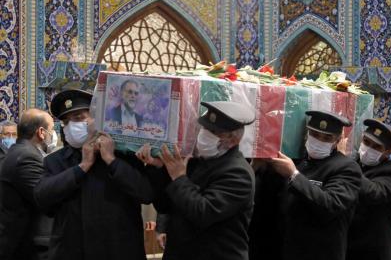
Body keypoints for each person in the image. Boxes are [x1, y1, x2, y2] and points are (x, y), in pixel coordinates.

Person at [34, 89, 156, 260]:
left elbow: (146, 193)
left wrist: (112, 160)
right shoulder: (55, 161)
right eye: (66, 122)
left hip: (118, 251)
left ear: (97, 119)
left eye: (78, 118)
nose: (72, 126)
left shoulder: (125, 155)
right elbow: (43, 198)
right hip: (72, 252)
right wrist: (82, 167)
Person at [137, 101, 256, 260]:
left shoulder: (238, 173)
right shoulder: (197, 161)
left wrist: (178, 177)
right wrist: (160, 168)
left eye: (214, 132)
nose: (206, 134)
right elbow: (165, 204)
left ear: (233, 139)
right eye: (205, 128)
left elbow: (202, 213)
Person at [249, 110, 362, 260]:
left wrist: (294, 176)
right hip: (283, 248)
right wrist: (256, 167)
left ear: (337, 140)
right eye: (314, 134)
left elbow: (331, 205)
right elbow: (267, 198)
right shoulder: (295, 160)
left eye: (327, 137)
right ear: (307, 134)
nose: (319, 140)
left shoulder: (346, 168)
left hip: (317, 252)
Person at [0, 109, 57, 260]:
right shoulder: (27, 156)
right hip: (25, 246)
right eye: (52, 129)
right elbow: (45, 198)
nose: (53, 134)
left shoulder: (19, 151)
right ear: (41, 132)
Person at [346, 119, 391, 260]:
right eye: (366, 142)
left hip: (372, 249)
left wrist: (345, 164)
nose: (368, 149)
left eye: (377, 147)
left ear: (389, 151)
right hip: (348, 242)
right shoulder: (355, 163)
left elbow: (374, 192)